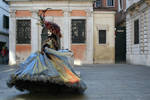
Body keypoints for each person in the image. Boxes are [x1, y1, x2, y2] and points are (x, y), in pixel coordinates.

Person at [7, 12, 87, 93]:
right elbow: (47, 48)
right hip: (46, 58)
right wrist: (55, 52)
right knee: (48, 74)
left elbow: (51, 49)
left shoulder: (53, 40)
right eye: (48, 30)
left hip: (50, 58)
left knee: (53, 74)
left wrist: (55, 51)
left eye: (50, 30)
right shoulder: (51, 40)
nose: (48, 32)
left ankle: (50, 88)